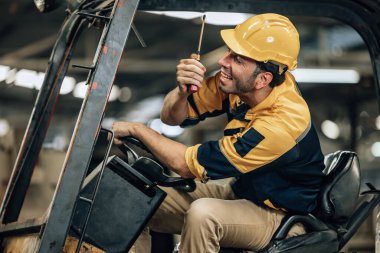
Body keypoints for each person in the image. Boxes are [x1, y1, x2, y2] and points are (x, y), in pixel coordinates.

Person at [112, 13, 325, 252]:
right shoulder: (242, 85)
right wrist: (182, 92)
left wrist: (137, 129)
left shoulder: (280, 125)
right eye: (230, 51)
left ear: (263, 79)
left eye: (238, 59)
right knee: (133, 195)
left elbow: (185, 164)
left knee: (204, 215)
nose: (224, 61)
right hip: (242, 192)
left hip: (280, 215)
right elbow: (172, 117)